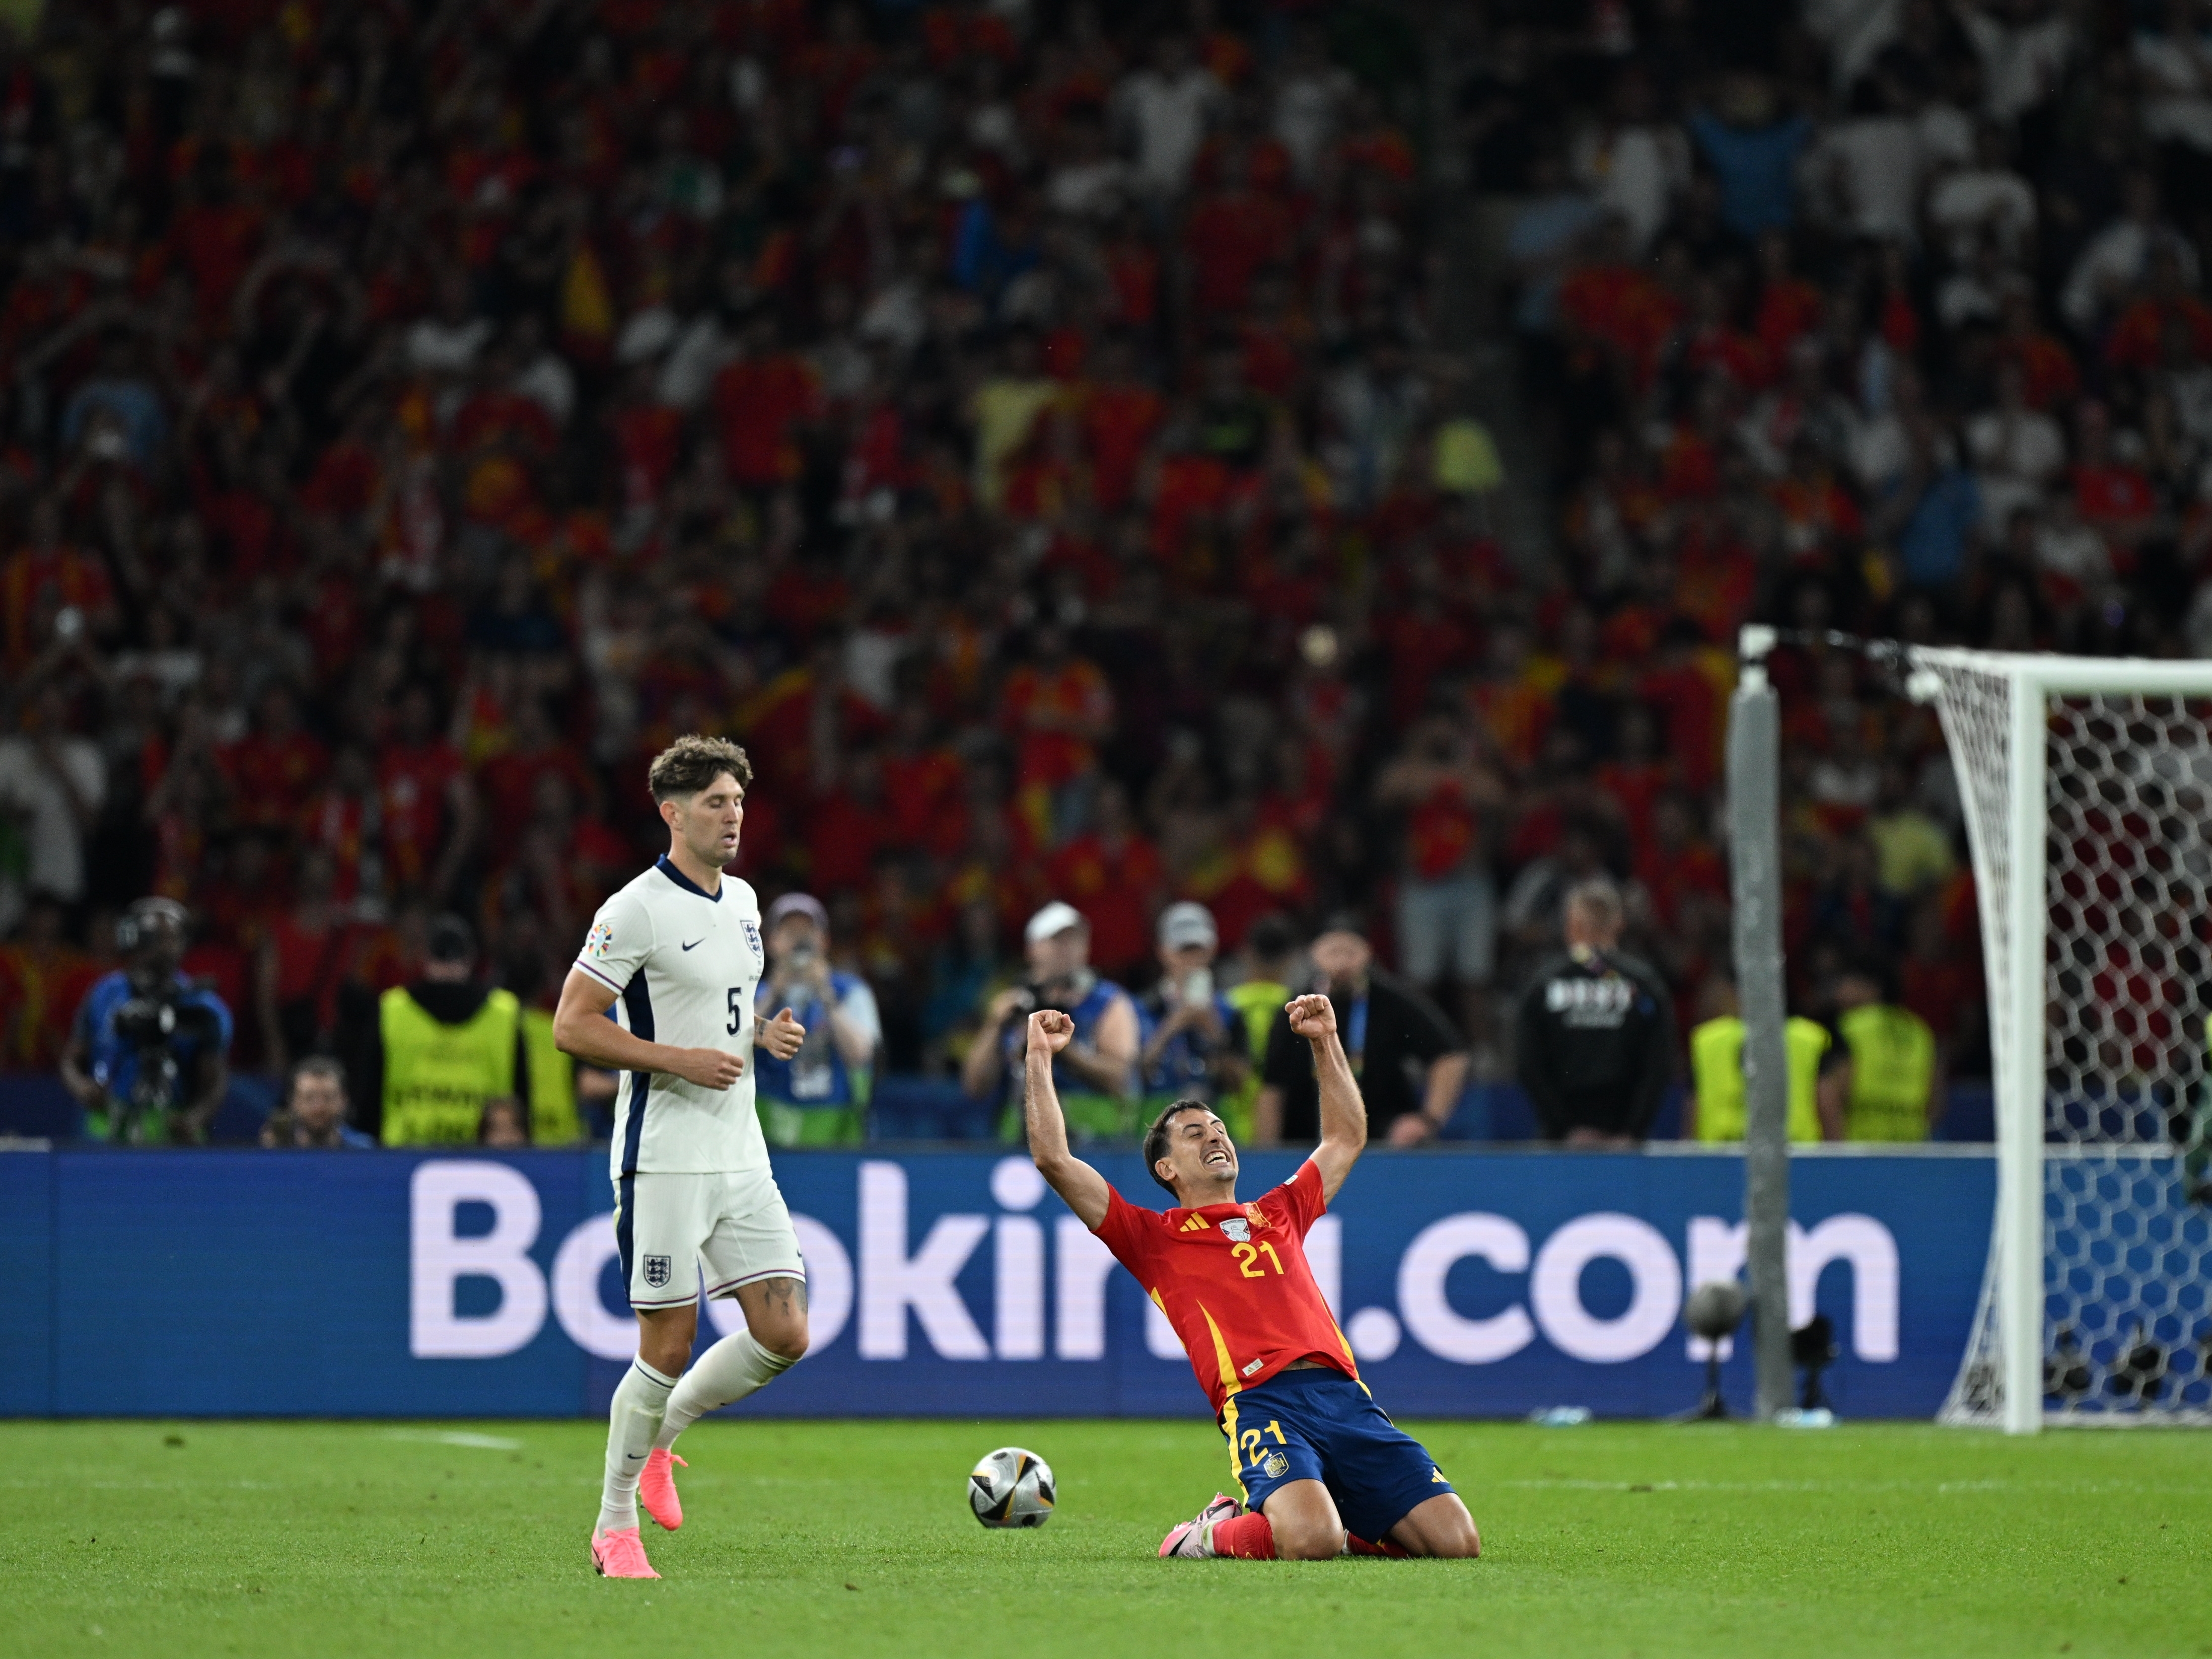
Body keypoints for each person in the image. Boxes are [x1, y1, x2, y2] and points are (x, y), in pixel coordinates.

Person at [1024, 998, 1480, 1562]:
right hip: (1262, 1403)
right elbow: (1053, 1158)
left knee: (1458, 1544)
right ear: (1166, 1169)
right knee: (1310, 1542)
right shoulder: (1153, 1237)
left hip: (1345, 1396)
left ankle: (1332, 1518)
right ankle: (1209, 1531)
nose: (1215, 1136)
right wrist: (1040, 1056)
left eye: (1218, 1127)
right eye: (1194, 1134)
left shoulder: (1279, 1210)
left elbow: (1345, 1139)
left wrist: (1325, 1042)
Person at [550, 734, 810, 1581]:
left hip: (740, 1149)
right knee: (667, 1341)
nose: (732, 816)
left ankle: (661, 1441)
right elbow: (573, 1024)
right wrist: (677, 1060)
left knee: (785, 1333)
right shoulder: (633, 910)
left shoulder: (743, 900)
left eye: (738, 801)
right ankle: (612, 1527)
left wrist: (758, 1034)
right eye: (714, 803)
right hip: (662, 1155)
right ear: (672, 813)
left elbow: (721, 1008)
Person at [1254, 919, 1467, 1146]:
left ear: (1368, 953)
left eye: (1351, 952)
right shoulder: (1296, 1009)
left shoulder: (1392, 1002)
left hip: (1383, 1141)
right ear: (1313, 953)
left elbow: (1450, 1056)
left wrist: (1427, 1120)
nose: (1342, 962)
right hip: (1307, 1144)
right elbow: (1273, 1088)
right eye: (1333, 952)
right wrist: (1269, 1153)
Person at [961, 900, 1138, 1142]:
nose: (1068, 949)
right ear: (1032, 948)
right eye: (1057, 940)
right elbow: (975, 1087)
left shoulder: (1108, 1003)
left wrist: (1061, 1049)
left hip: (1092, 1145)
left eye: (1076, 940)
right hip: (1020, 1145)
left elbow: (1121, 1079)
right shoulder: (1014, 1004)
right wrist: (995, 1025)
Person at [1515, 878, 1675, 1145]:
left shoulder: (1543, 985)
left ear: (1572, 925)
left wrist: (1564, 1129)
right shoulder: (1643, 987)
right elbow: (1659, 1064)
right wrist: (1631, 1131)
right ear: (1619, 924)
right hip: (1624, 1141)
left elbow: (1528, 1064)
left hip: (1561, 1143)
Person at [62, 897, 233, 1144]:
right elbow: (72, 1058)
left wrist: (196, 1118)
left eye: (172, 937)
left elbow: (215, 1077)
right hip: (106, 1121)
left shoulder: (204, 1008)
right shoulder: (104, 994)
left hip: (174, 1124)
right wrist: (82, 1087)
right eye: (154, 936)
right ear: (132, 938)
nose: (164, 946)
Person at [355, 915, 532, 1146]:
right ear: (470, 958)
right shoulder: (505, 1012)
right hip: (484, 1159)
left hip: (404, 1154)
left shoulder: (392, 1009)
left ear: (426, 957)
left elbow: (369, 1095)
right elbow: (522, 1098)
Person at [751, 891, 882, 1146]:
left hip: (837, 1138)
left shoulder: (852, 991)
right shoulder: (752, 994)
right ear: (771, 943)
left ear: (824, 941)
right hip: (769, 1142)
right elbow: (733, 1045)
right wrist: (774, 992)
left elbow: (861, 1054)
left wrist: (825, 993)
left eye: (807, 932)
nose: (799, 941)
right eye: (789, 933)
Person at [1684, 973, 1830, 1143]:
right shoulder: (1808, 1038)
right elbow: (1828, 1105)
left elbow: (1691, 1114)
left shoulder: (1708, 1040)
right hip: (1794, 1156)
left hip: (1719, 1160)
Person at [1134, 901, 1246, 1124]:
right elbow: (1134, 1075)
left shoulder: (1229, 1010)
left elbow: (1240, 1083)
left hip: (1216, 1127)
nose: (1192, 960)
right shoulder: (1143, 1007)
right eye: (1184, 950)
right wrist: (1172, 1026)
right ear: (1163, 952)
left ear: (1212, 950)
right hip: (1156, 1127)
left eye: (1198, 950)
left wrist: (1214, 1032)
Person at [1819, 962, 1939, 1141]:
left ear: (1872, 987)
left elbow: (1830, 1092)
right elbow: (1936, 1096)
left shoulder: (1849, 1027)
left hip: (1860, 1150)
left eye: (1846, 983)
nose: (1839, 992)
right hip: (1911, 1147)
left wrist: (1837, 1151)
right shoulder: (1920, 1031)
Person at [1218, 913, 1300, 1143]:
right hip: (1287, 1130)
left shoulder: (1226, 1007)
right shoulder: (1299, 1010)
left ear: (1246, 953)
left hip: (1229, 1128)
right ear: (1291, 958)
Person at [259, 1056, 373, 1149]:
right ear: (293, 1102)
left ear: (344, 1100)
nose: (319, 1108)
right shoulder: (277, 1151)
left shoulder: (365, 1151)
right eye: (309, 1098)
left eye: (327, 1098)